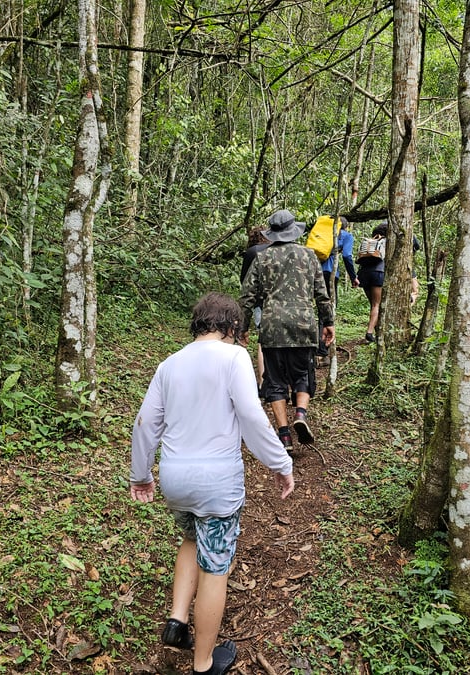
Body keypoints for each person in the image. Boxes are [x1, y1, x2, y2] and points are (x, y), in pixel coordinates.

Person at [129, 292, 295, 675]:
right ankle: (204, 664)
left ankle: (177, 620)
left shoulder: (169, 364)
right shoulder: (234, 357)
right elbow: (251, 415)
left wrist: (141, 474)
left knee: (191, 537)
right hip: (216, 482)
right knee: (216, 567)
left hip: (175, 480)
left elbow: (145, 423)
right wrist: (279, 462)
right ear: (232, 326)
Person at [239, 209, 335, 451]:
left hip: (272, 326)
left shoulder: (262, 258)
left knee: (275, 380)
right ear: (294, 231)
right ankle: (300, 414)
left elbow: (247, 296)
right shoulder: (309, 255)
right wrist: (328, 322)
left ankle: (284, 436)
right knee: (303, 374)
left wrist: (243, 327)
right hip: (303, 324)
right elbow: (322, 294)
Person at [317, 216, 358, 357]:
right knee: (328, 308)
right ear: (345, 226)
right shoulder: (346, 236)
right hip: (330, 273)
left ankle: (318, 345)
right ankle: (323, 348)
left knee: (320, 308)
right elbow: (347, 256)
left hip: (315, 271)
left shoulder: (323, 234)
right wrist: (353, 277)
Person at [240, 228, 270, 392]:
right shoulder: (276, 249)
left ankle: (263, 382)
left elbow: (245, 280)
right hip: (280, 302)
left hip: (260, 301)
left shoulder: (251, 252)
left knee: (262, 341)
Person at [357, 221, 387, 343]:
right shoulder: (386, 241)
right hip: (378, 273)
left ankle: (376, 332)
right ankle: (369, 333)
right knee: (376, 305)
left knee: (373, 304)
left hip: (363, 274)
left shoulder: (371, 241)